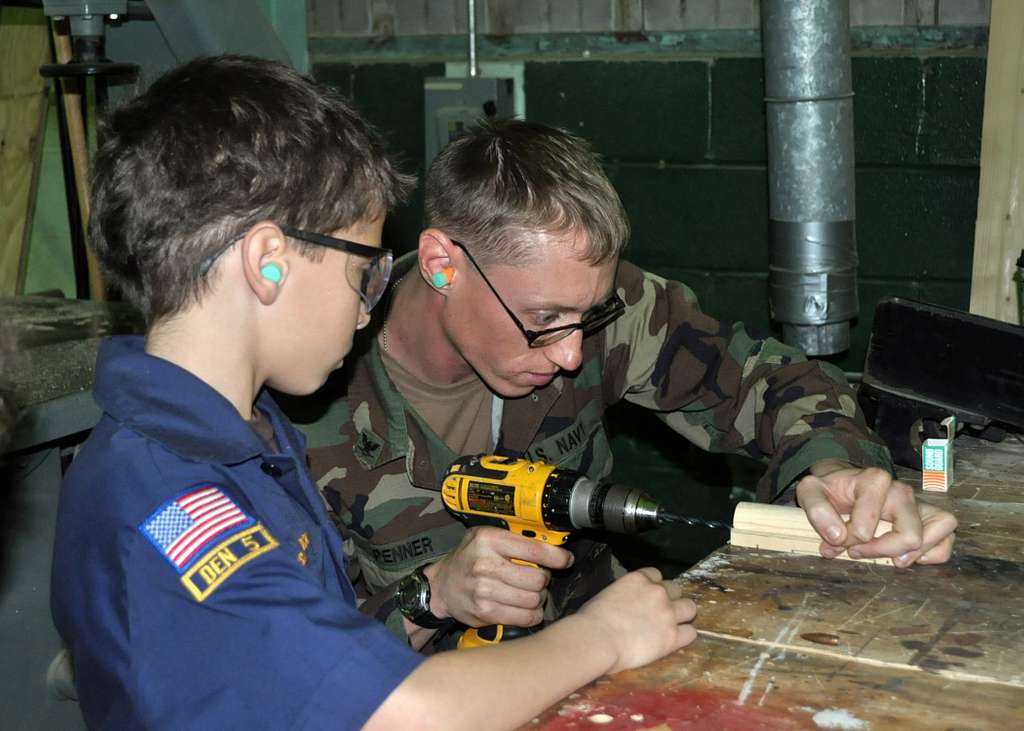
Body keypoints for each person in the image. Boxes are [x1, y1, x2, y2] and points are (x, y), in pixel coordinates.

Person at [50, 56, 698, 730]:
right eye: (363, 269)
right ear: (267, 262)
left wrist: (433, 599)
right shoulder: (169, 501)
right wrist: (603, 634)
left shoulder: (249, 440)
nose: (367, 309)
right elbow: (402, 710)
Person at [307, 118, 959, 649]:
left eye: (585, 318)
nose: (569, 353)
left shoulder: (586, 303)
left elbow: (781, 380)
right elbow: (282, 670)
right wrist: (431, 594)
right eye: (543, 322)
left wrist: (833, 470)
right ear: (443, 265)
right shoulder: (308, 395)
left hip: (611, 650)